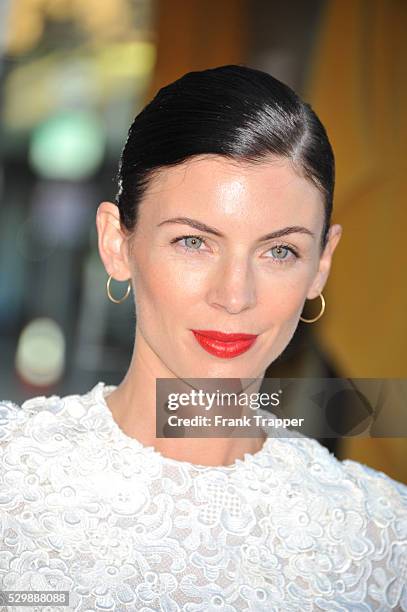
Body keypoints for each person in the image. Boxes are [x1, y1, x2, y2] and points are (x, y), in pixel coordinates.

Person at [1, 65, 406, 611]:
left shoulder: (381, 540)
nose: (234, 295)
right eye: (194, 241)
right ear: (117, 244)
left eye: (279, 251)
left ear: (321, 264)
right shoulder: (13, 478)